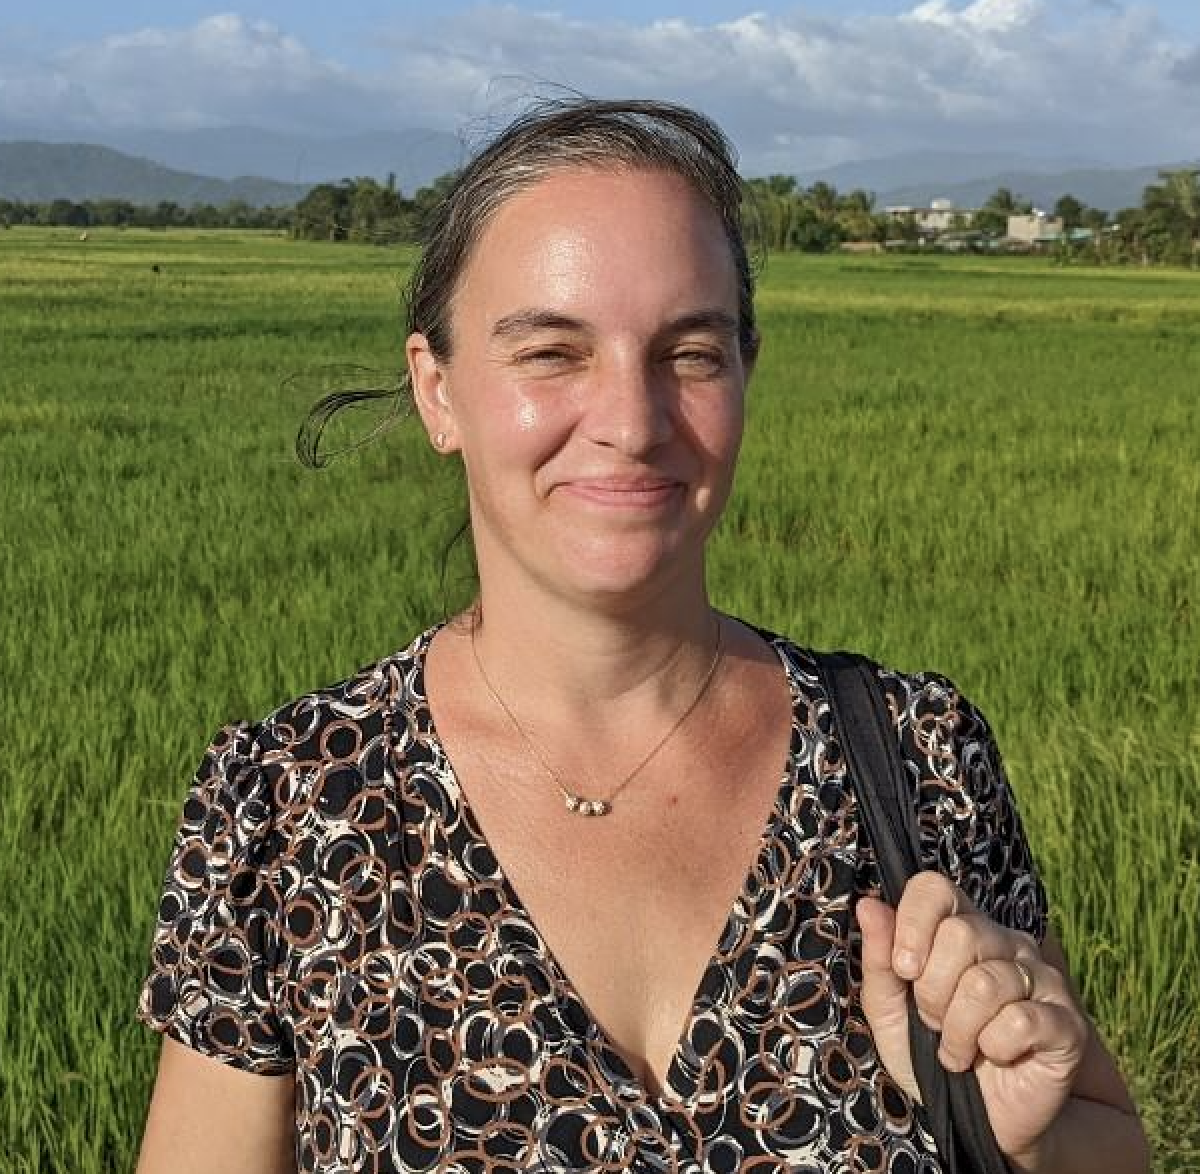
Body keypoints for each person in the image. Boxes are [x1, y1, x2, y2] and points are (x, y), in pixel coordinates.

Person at [135, 99, 1147, 1174]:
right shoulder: (284, 806)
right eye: (550, 351)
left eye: (689, 352)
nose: (630, 417)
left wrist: (1027, 1143)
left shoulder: (915, 755)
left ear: (746, 373)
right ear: (439, 392)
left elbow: (1100, 1144)